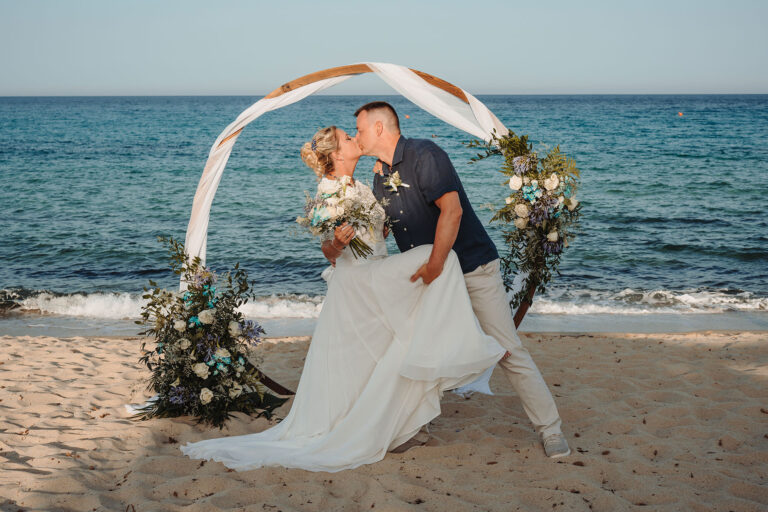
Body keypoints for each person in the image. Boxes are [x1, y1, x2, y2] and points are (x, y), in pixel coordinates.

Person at [180, 126, 506, 472]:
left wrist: (380, 229)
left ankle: (397, 424)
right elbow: (328, 250)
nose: (355, 138)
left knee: (381, 354)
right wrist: (337, 242)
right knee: (436, 262)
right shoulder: (327, 192)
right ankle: (392, 415)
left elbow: (378, 230)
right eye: (348, 138)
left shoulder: (364, 184)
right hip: (357, 280)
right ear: (337, 154)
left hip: (376, 274)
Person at [352, 101, 570, 458]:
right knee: (416, 351)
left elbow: (451, 211)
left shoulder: (426, 154)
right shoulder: (379, 174)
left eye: (359, 129)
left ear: (378, 128)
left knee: (508, 350)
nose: (357, 137)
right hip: (430, 276)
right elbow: (386, 230)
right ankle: (415, 429)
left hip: (470, 267)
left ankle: (551, 430)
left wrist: (436, 264)